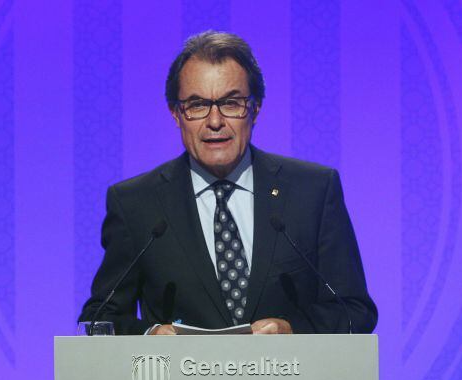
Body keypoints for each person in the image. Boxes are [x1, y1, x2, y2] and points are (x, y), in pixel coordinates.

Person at [78, 31, 377, 335]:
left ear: (255, 108)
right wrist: (150, 334)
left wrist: (293, 331)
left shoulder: (313, 191)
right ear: (176, 113)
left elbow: (355, 311)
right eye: (197, 105)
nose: (215, 121)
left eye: (231, 103)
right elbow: (99, 318)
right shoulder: (136, 204)